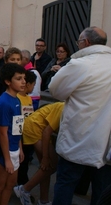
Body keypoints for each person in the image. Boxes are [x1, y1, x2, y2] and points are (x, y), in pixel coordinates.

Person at [49, 26, 111, 205]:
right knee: (101, 190)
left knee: (66, 184)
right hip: (106, 142)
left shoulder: (80, 64)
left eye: (78, 42)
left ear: (86, 43)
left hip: (79, 138)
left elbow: (56, 91)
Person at [0, 63, 26, 205]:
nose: (23, 82)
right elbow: (2, 133)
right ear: (8, 81)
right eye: (19, 79)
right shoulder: (4, 103)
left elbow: (17, 127)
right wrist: (7, 159)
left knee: (10, 185)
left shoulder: (17, 99)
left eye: (24, 78)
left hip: (14, 148)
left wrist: (20, 148)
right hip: (2, 152)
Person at [14, 102, 64, 205]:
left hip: (39, 128)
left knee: (47, 167)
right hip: (34, 127)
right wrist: (45, 157)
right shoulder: (63, 108)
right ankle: (24, 189)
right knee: (51, 163)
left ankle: (44, 200)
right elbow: (47, 132)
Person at [16, 70, 36, 187]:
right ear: (28, 84)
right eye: (33, 84)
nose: (34, 87)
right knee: (21, 163)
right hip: (20, 136)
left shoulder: (28, 98)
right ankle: (22, 185)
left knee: (25, 161)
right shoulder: (17, 98)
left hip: (28, 135)